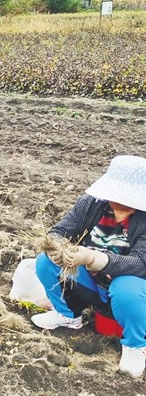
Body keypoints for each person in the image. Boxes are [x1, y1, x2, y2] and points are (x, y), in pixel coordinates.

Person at [31, 155, 146, 378]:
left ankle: (136, 344)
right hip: (93, 285)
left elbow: (141, 264)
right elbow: (60, 230)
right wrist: (57, 247)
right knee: (45, 262)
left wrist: (93, 259)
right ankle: (68, 316)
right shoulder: (91, 205)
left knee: (126, 286)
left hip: (133, 294)